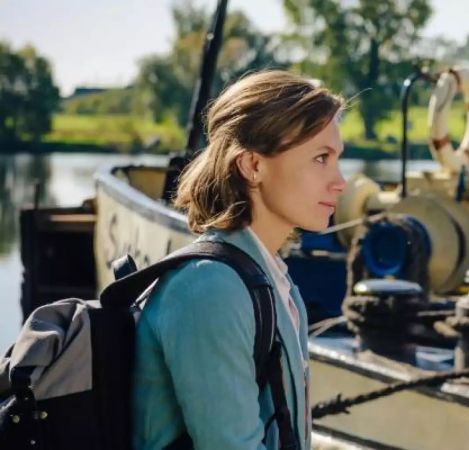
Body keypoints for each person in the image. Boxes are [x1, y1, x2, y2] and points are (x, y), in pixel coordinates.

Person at [132, 70, 346, 449]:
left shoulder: (271, 280)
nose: (340, 181)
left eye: (336, 159)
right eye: (320, 159)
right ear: (252, 165)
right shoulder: (209, 289)